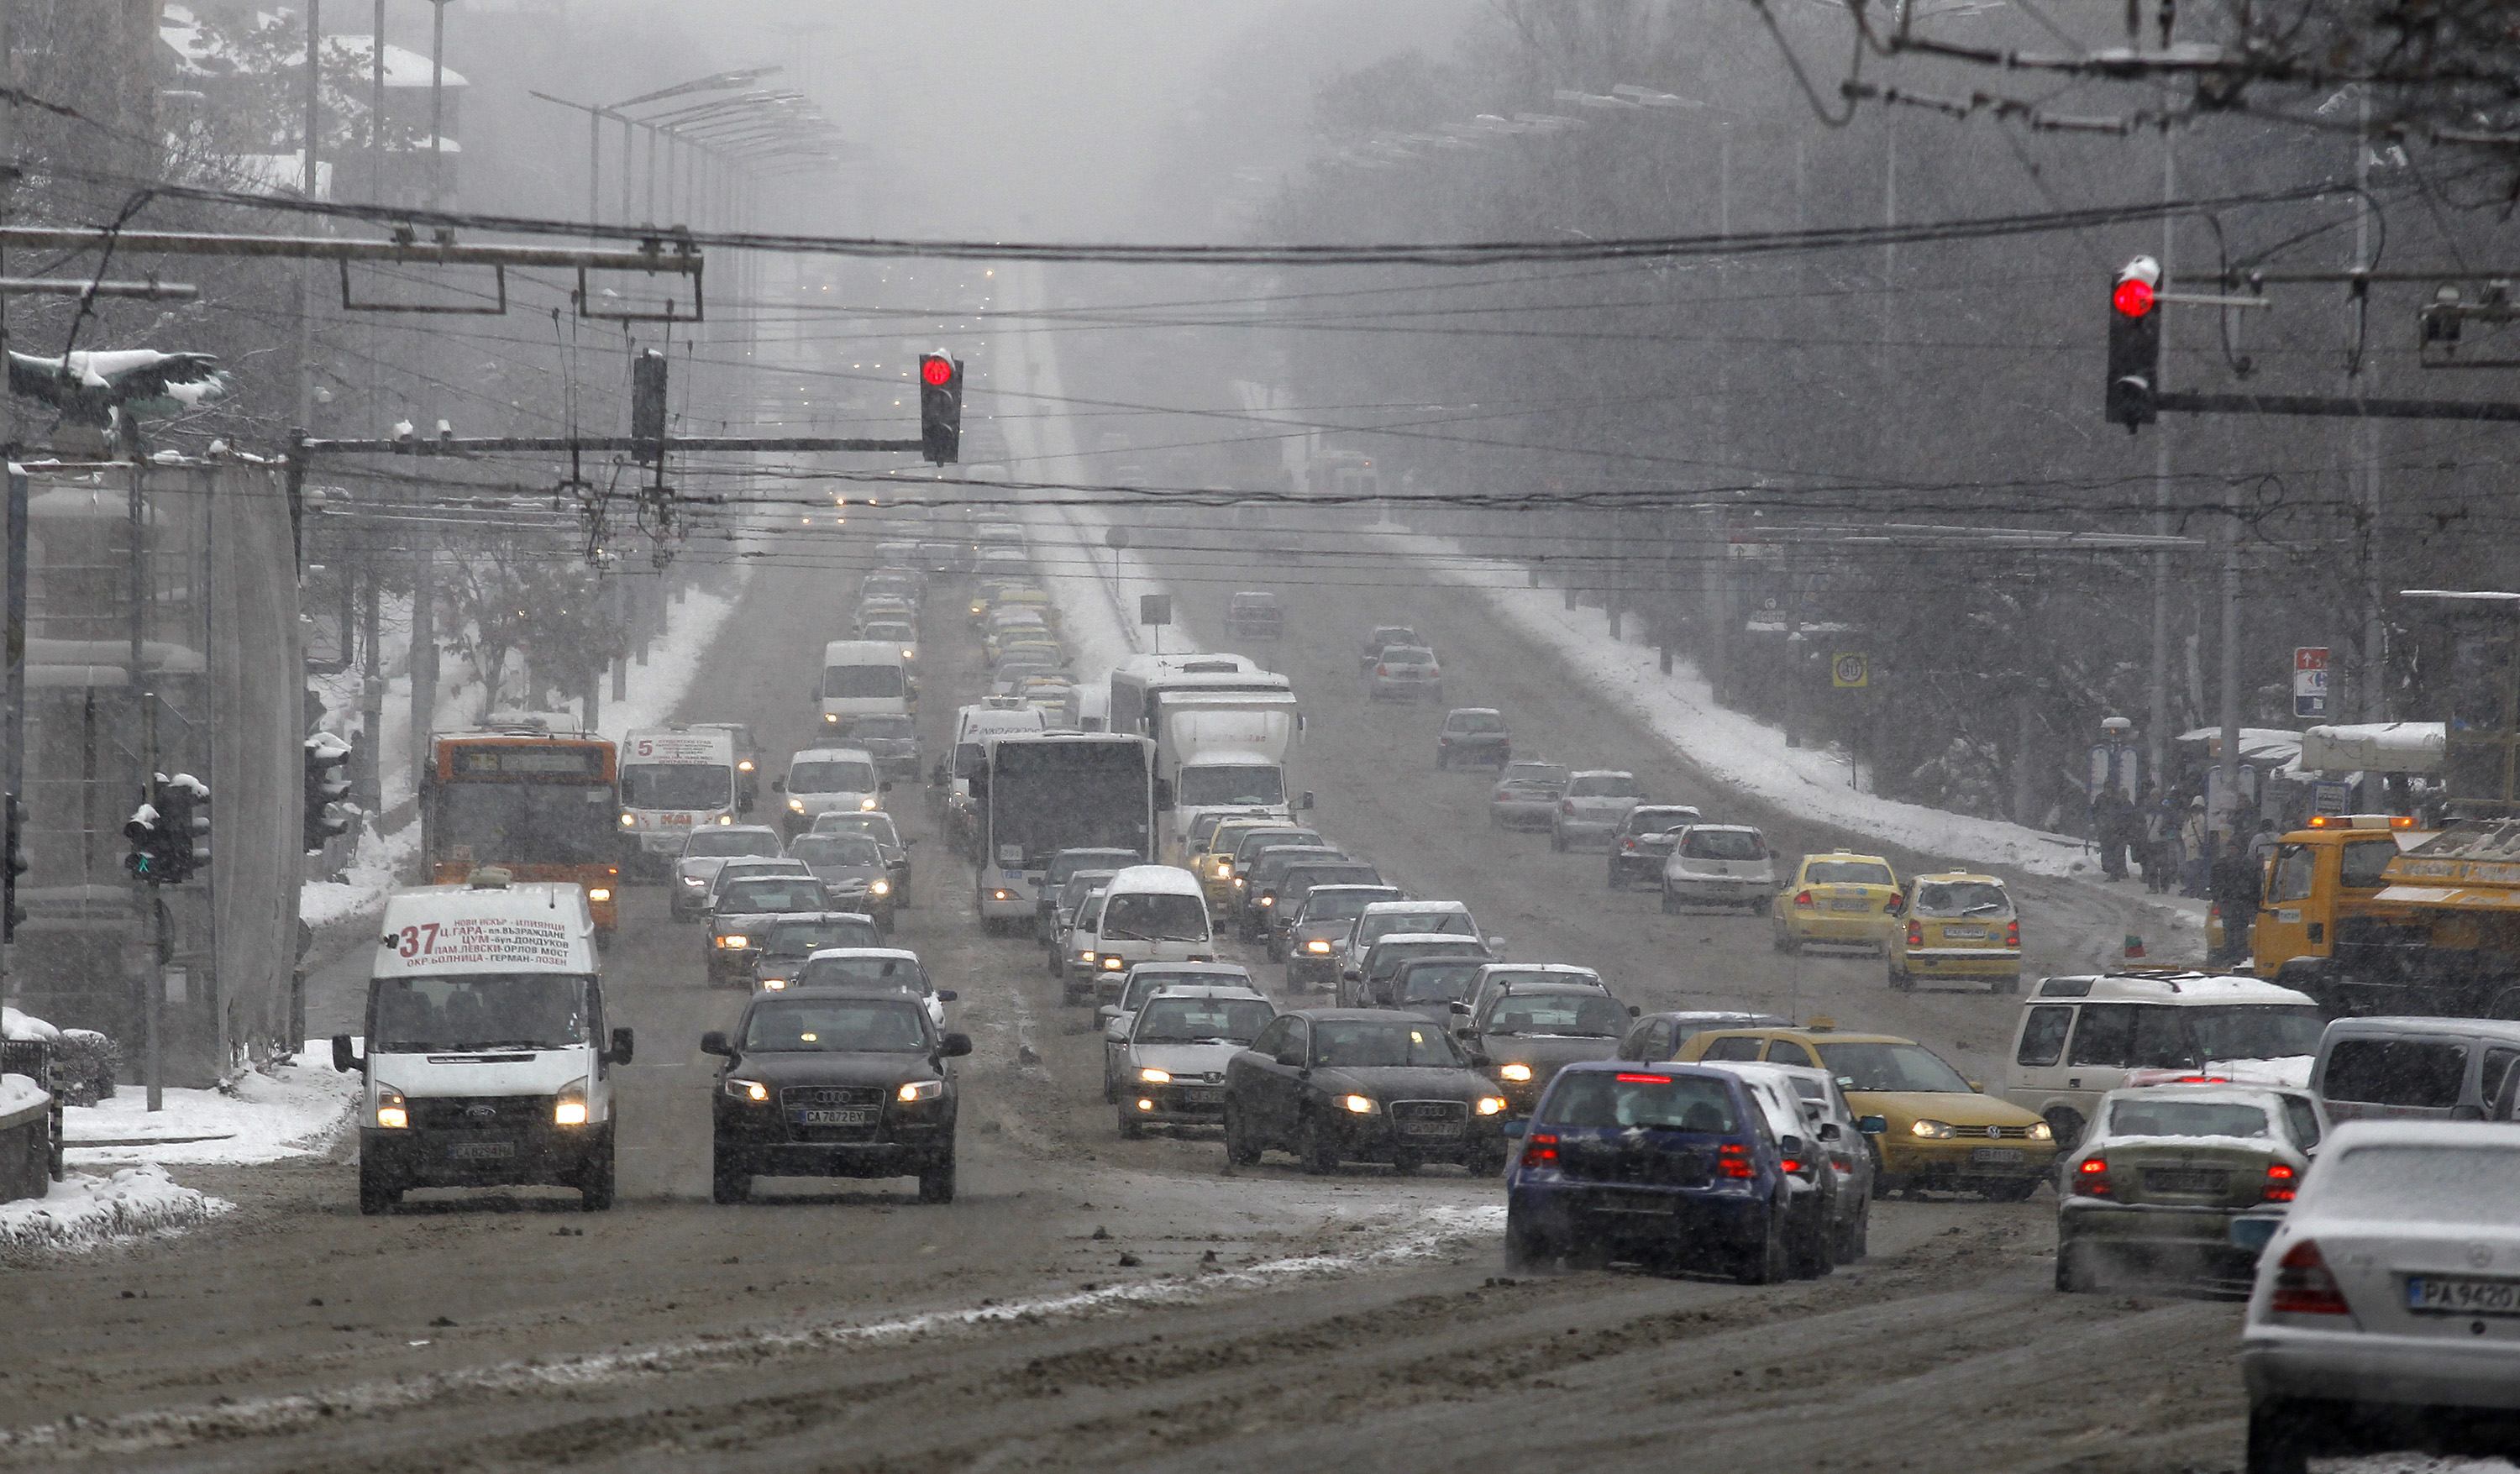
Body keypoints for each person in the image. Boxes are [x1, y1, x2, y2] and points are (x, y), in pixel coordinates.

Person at [2211, 833, 2265, 968]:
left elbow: (2255, 885)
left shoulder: (2227, 865)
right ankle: (2233, 955)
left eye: (2233, 848)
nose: (2231, 851)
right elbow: (2215, 884)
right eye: (2230, 848)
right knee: (2230, 930)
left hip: (2239, 903)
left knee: (2239, 930)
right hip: (2233, 902)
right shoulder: (2243, 865)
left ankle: (2237, 955)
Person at [2092, 787, 2134, 880]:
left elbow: (2127, 820)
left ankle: (2117, 872)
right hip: (2117, 833)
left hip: (2120, 833)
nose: (2123, 796)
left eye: (2125, 794)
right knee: (2117, 853)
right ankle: (2119, 871)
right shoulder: (2119, 805)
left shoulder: (2124, 806)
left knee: (2117, 853)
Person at [2179, 798, 2211, 898]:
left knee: (2197, 869)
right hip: (2189, 846)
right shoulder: (2190, 819)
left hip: (2198, 845)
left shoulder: (2202, 818)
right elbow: (2184, 831)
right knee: (2190, 868)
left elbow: (2205, 831)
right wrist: (2186, 840)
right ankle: (2191, 888)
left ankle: (2197, 889)